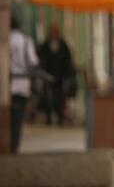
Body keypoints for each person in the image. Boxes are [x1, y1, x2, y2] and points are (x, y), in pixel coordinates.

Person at [9, 16, 39, 153]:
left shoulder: (4, 39)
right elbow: (33, 62)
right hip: (22, 86)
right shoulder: (26, 40)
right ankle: (14, 146)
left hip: (6, 86)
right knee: (17, 120)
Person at [37, 23, 75, 125]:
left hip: (61, 78)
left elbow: (68, 61)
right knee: (48, 99)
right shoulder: (45, 45)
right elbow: (40, 58)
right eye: (53, 31)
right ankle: (49, 117)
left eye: (56, 31)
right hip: (48, 77)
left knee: (60, 99)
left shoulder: (63, 45)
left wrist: (67, 75)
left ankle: (60, 118)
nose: (54, 34)